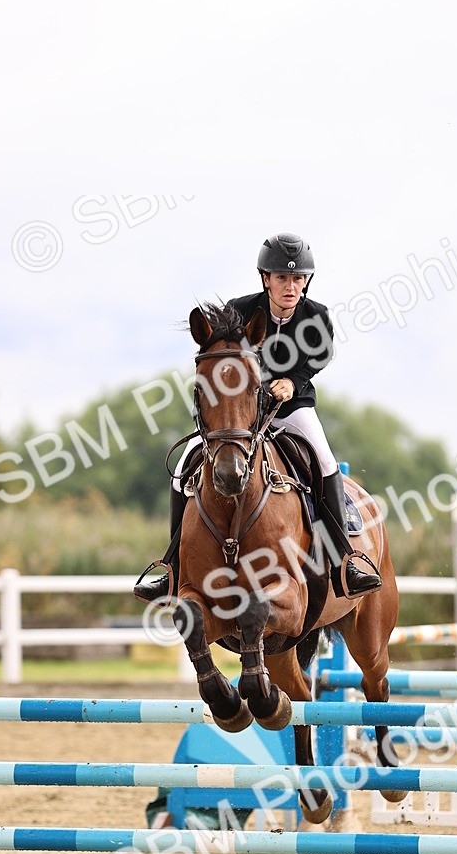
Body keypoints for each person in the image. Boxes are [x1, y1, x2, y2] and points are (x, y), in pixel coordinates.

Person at [133, 232, 382, 602]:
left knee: (326, 462)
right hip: (240, 416)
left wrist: (293, 384)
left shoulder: (317, 317)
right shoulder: (241, 310)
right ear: (266, 278)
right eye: (282, 277)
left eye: (298, 279)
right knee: (185, 464)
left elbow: (321, 358)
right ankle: (173, 567)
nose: (291, 286)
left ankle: (345, 561)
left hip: (292, 410)